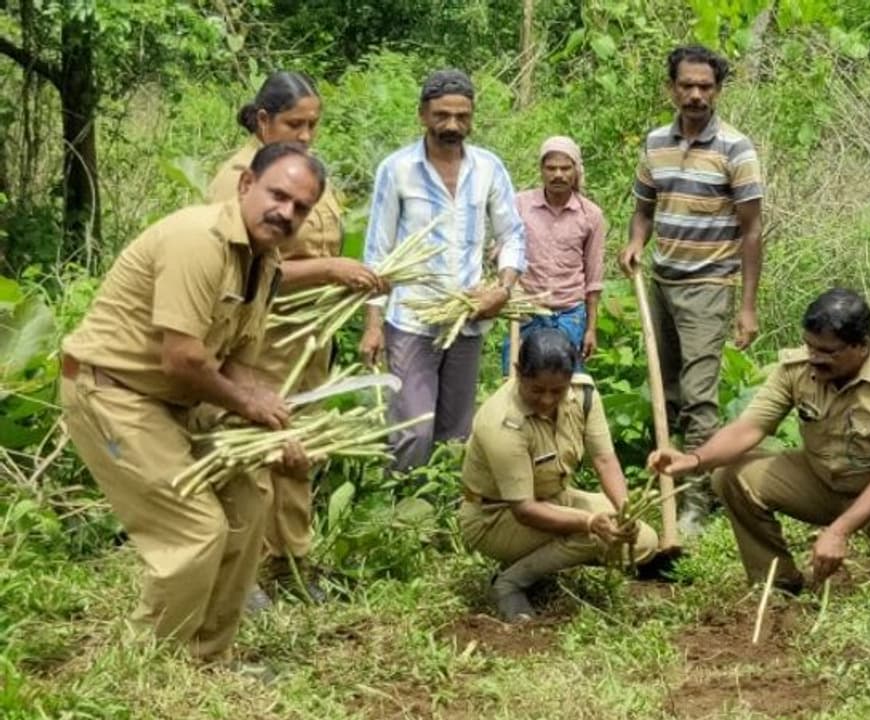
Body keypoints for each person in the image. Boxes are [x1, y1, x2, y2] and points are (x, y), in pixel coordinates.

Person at [59, 142, 323, 667]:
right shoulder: (197, 240)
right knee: (195, 529)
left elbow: (239, 366)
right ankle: (146, 668)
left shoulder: (264, 265)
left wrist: (271, 429)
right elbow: (183, 359)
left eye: (300, 207)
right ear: (247, 185)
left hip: (174, 401)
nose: (286, 212)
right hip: (114, 394)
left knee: (248, 504)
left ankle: (206, 659)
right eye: (279, 195)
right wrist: (251, 408)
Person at [208, 71, 384, 608]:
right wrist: (333, 270)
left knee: (299, 451)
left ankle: (291, 561)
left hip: (309, 341)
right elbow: (251, 267)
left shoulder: (304, 173)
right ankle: (246, 572)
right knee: (257, 452)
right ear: (263, 120)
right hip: (261, 341)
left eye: (313, 124)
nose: (306, 135)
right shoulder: (242, 179)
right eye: (294, 124)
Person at [648, 288, 870, 595]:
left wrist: (838, 531)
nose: (815, 358)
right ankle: (776, 583)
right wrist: (694, 460)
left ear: (863, 346)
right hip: (822, 478)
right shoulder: (797, 367)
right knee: (732, 476)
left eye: (828, 352)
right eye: (810, 346)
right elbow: (749, 428)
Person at [618, 44, 765, 533]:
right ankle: (671, 478)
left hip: (708, 283)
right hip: (661, 281)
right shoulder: (655, 142)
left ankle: (697, 501)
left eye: (705, 86)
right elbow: (644, 208)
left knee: (700, 395)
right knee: (668, 388)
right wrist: (636, 243)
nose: (696, 95)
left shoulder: (736, 148)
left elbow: (751, 229)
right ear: (671, 88)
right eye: (687, 86)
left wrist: (747, 307)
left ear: (718, 90)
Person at [362, 68, 526, 473]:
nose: (452, 125)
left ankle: (439, 515)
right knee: (413, 429)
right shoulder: (396, 169)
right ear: (422, 114)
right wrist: (372, 323)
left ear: (472, 117)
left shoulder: (488, 168)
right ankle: (397, 507)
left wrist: (502, 290)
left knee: (456, 431)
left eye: (462, 116)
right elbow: (377, 252)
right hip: (412, 318)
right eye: (441, 115)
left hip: (468, 318)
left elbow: (513, 236)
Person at [461, 328, 666, 622]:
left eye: (556, 391)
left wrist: (626, 512)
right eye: (536, 390)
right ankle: (509, 582)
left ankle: (545, 558)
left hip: (553, 498)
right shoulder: (502, 422)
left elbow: (605, 459)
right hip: (495, 517)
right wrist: (589, 522)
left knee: (644, 540)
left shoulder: (583, 394)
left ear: (570, 379)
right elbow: (524, 509)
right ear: (519, 373)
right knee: (595, 534)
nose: (546, 400)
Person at [498, 135, 606, 370]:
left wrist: (590, 329)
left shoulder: (591, 215)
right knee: (516, 379)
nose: (558, 174)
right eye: (551, 168)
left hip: (569, 315)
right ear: (541, 170)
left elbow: (594, 278)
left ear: (575, 170)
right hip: (526, 312)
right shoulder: (520, 205)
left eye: (565, 168)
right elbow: (505, 246)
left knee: (565, 385)